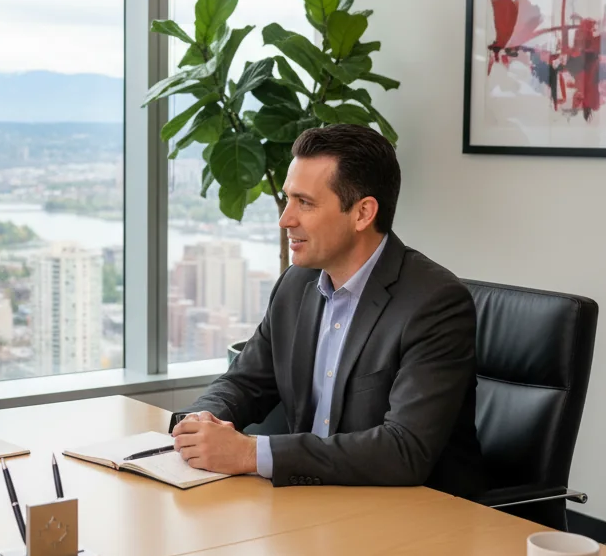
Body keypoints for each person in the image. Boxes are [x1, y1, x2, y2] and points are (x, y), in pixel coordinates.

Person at [171, 124, 483, 497]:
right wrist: (199, 421)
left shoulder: (434, 302)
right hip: (314, 503)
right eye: (288, 200)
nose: (285, 219)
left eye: (305, 202)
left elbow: (405, 449)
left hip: (413, 516)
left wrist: (251, 454)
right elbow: (245, 381)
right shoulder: (295, 285)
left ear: (363, 213)